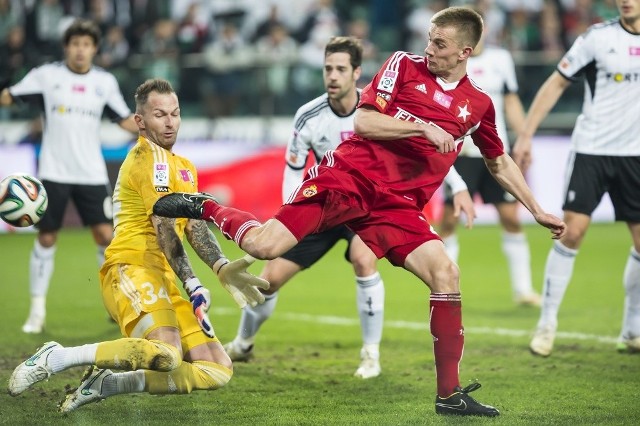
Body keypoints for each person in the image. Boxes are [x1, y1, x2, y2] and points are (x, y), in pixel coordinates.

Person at [155, 7, 566, 417]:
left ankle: (449, 394)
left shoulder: (477, 104)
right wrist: (422, 127)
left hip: (396, 205)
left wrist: (537, 209)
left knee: (446, 272)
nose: (429, 48)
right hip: (348, 177)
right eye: (429, 38)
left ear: (465, 51)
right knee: (265, 247)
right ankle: (204, 205)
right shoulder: (404, 65)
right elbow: (365, 123)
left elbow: (499, 161)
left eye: (439, 44)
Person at [7, 78, 270, 412]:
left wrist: (220, 266)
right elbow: (163, 225)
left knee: (217, 369)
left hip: (162, 275)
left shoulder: (184, 167)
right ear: (140, 121)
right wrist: (192, 282)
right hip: (130, 268)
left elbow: (194, 226)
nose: (170, 121)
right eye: (160, 114)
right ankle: (57, 357)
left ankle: (108, 382)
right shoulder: (148, 161)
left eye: (175, 113)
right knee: (167, 355)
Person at [223, 36, 475, 380]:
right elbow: (294, 169)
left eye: (341, 69)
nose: (333, 76)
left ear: (357, 73)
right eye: (328, 68)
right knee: (269, 281)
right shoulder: (308, 117)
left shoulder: (379, 110)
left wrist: (458, 186)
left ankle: (370, 354)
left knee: (363, 259)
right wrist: (289, 215)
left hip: (369, 206)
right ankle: (243, 342)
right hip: (326, 205)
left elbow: (430, 151)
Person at [512, 0, 640, 357]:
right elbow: (555, 83)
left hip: (636, 156)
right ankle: (547, 324)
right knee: (574, 231)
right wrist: (525, 134)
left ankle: (632, 329)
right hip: (592, 151)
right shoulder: (597, 38)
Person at [0, 19, 138, 334]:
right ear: (67, 47)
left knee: (106, 238)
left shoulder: (104, 82)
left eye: (86, 45)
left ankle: (115, 304)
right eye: (75, 44)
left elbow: (122, 119)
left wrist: (153, 127)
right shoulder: (48, 76)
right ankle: (37, 311)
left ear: (94, 49)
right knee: (47, 237)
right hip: (53, 172)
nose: (80, 50)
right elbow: (11, 96)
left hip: (90, 172)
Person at [438, 12, 541, 307]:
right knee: (449, 219)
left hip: (495, 152)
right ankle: (444, 286)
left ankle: (523, 290)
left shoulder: (501, 60)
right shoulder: (453, 61)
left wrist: (524, 137)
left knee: (510, 218)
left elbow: (510, 101)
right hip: (461, 153)